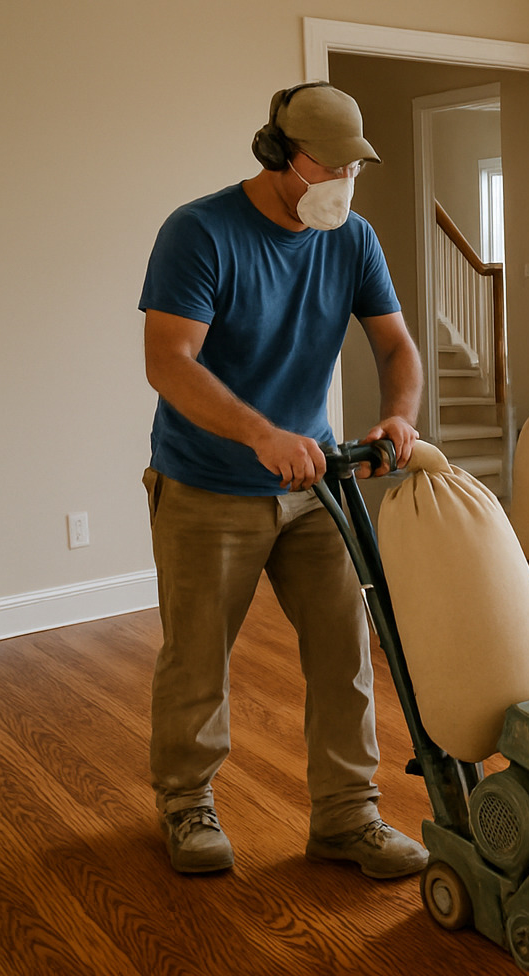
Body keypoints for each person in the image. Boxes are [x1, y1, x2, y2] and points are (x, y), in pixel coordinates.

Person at [140, 82, 428, 877]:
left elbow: (398, 348)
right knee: (197, 660)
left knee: (346, 654)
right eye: (327, 167)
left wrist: (399, 416)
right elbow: (168, 361)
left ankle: (346, 816)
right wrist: (261, 432)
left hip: (316, 487)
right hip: (206, 485)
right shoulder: (200, 233)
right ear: (277, 156)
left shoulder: (352, 238)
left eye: (352, 169)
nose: (341, 182)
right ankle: (186, 803)